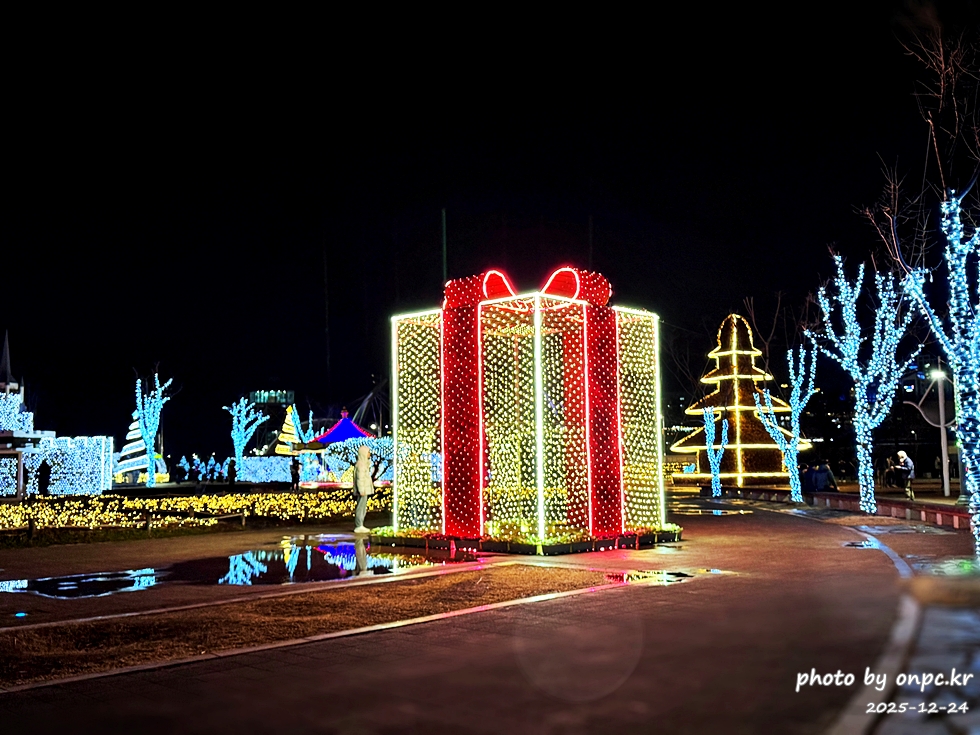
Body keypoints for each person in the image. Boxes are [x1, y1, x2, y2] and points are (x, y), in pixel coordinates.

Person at [353, 444, 374, 533]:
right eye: (368, 452)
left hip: (364, 490)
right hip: (363, 490)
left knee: (362, 507)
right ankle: (359, 525)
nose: (370, 454)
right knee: (361, 507)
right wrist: (361, 490)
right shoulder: (361, 465)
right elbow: (360, 479)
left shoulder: (363, 464)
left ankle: (360, 524)